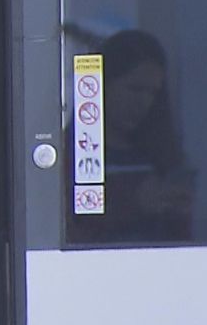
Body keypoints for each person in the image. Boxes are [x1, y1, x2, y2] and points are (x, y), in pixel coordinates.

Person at [65, 30, 193, 244]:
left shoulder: (160, 155)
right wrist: (133, 204)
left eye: (153, 93)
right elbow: (66, 228)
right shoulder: (71, 155)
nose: (144, 103)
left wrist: (178, 212)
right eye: (135, 89)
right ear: (104, 84)